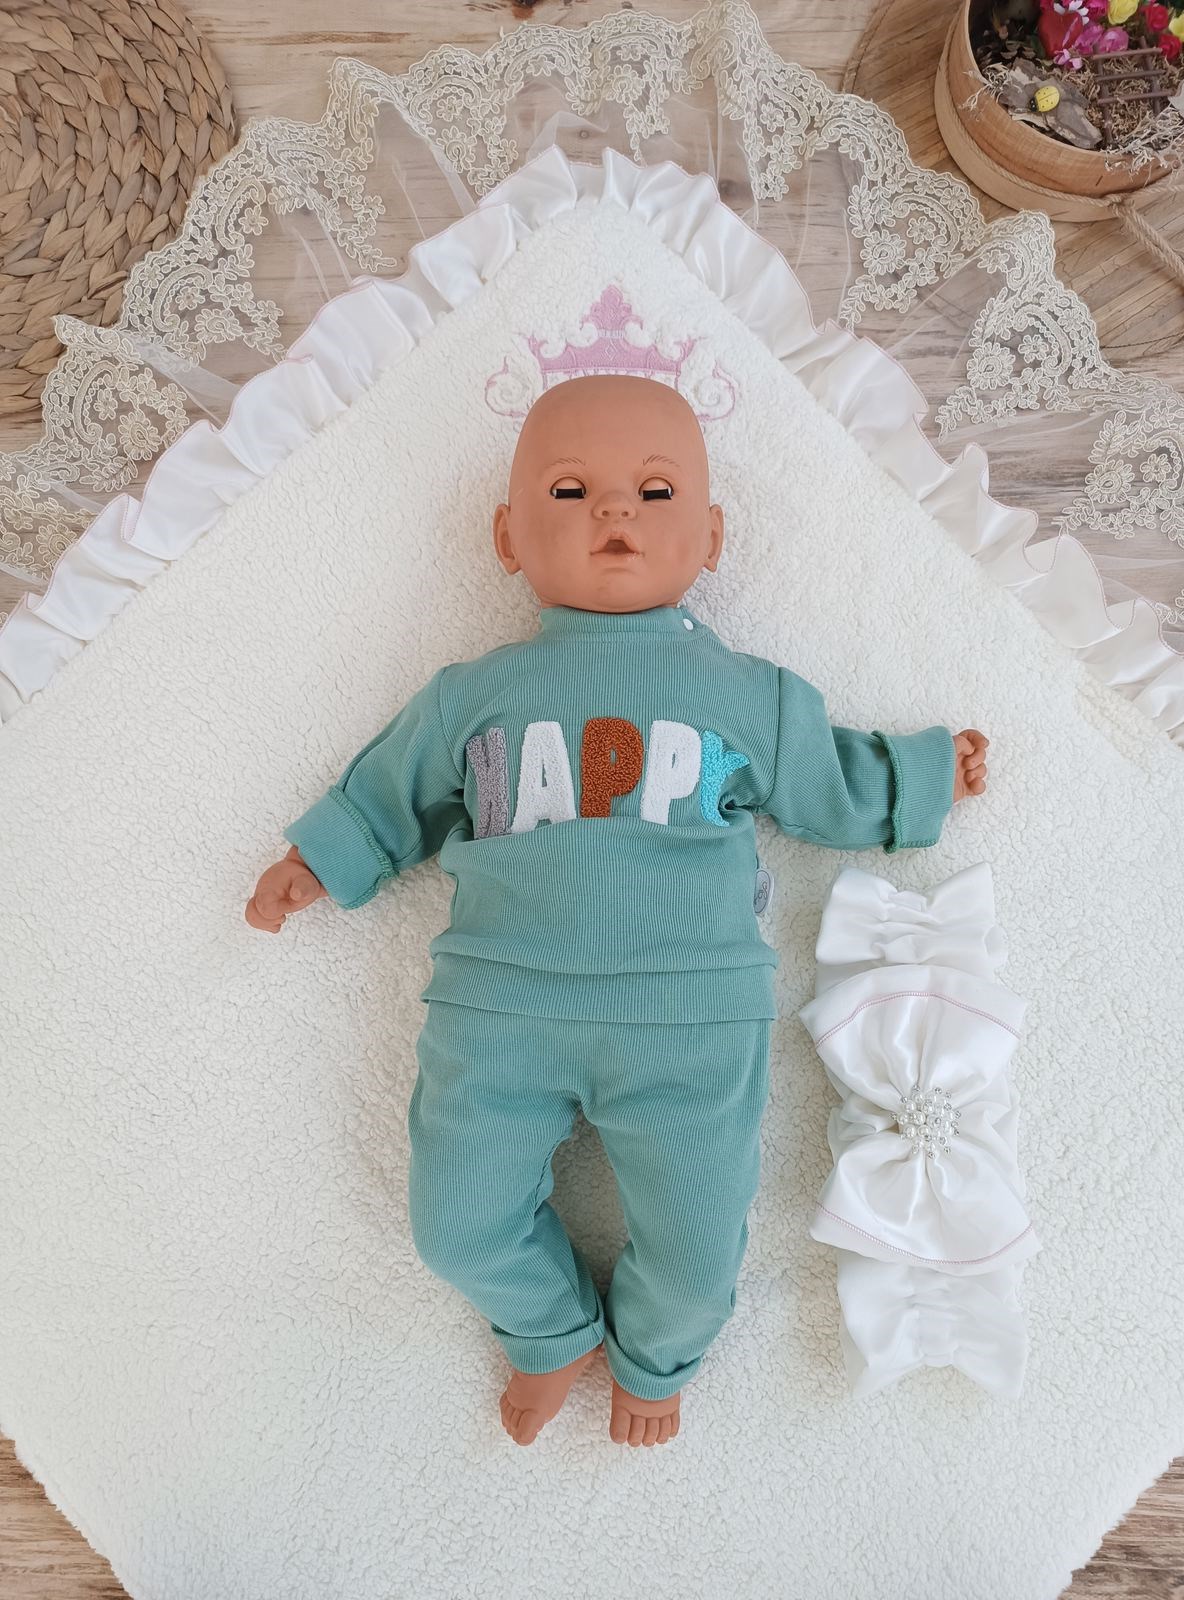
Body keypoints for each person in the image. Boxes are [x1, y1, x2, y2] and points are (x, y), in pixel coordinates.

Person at [245, 374, 988, 1449]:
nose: (613, 512)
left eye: (653, 491)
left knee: (696, 1253)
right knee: (454, 1224)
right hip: (499, 1010)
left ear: (711, 537)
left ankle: (655, 1355)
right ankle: (548, 1329)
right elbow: (390, 793)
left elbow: (826, 782)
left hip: (690, 1018)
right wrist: (321, 859)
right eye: (569, 490)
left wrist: (921, 778)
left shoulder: (740, 692)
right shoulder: (473, 695)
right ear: (508, 537)